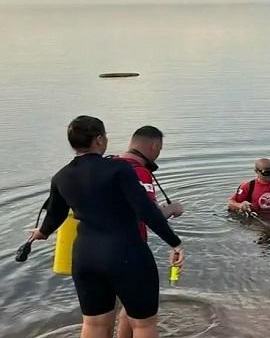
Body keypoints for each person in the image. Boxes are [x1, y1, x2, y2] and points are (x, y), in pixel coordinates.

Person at [31, 116, 185, 338]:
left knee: (94, 325)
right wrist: (175, 243)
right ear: (100, 140)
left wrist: (40, 233)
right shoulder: (119, 170)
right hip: (126, 253)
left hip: (85, 257)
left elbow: (55, 216)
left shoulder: (61, 176)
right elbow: (146, 211)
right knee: (143, 325)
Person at [113, 125, 184, 338]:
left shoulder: (109, 164)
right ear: (154, 146)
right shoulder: (139, 172)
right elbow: (149, 214)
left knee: (119, 309)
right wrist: (171, 210)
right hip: (129, 250)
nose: (158, 154)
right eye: (159, 149)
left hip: (95, 250)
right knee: (145, 319)